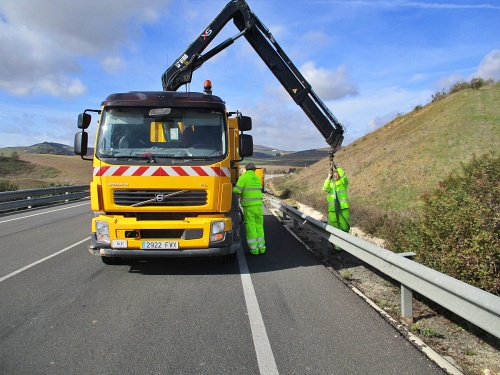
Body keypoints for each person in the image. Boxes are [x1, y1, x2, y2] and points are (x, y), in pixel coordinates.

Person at [233, 163, 266, 255]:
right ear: (254, 169)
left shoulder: (244, 177)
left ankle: (254, 249)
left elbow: (237, 190)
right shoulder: (256, 178)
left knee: (251, 227)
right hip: (259, 207)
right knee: (259, 226)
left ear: (246, 169)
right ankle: (262, 248)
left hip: (249, 207)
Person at [323, 165, 350, 250]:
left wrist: (336, 166)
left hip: (343, 208)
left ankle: (344, 244)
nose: (335, 175)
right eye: (334, 174)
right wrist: (328, 178)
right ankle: (338, 248)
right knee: (334, 228)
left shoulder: (343, 183)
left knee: (345, 227)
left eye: (337, 174)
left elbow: (344, 176)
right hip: (332, 210)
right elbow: (325, 188)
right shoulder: (330, 184)